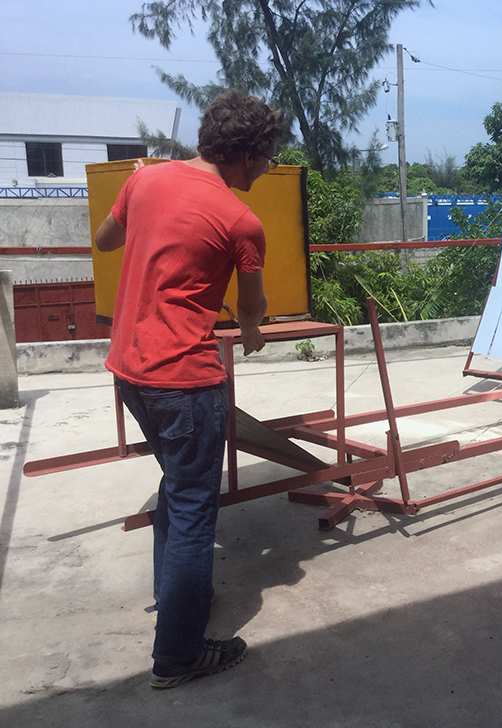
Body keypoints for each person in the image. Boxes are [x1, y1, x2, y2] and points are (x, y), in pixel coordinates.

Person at [95, 89, 285, 688]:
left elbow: (105, 241)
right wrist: (251, 328)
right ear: (247, 153)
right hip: (185, 379)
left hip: (129, 371)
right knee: (197, 507)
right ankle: (177, 653)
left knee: (178, 487)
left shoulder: (144, 181)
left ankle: (174, 599)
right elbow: (252, 305)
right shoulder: (240, 221)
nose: (269, 167)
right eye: (267, 156)